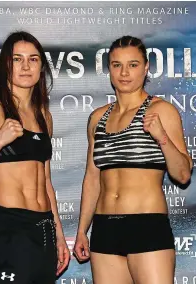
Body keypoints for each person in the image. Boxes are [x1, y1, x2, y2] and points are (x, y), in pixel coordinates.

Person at [74, 36, 193, 284]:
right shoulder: (98, 117)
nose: (124, 72)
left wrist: (161, 137)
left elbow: (182, 174)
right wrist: (82, 230)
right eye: (117, 65)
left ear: (146, 67)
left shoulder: (162, 110)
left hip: (146, 226)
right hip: (105, 229)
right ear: (109, 69)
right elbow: (92, 179)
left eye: (133, 64)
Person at [0, 31, 70, 284]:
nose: (25, 66)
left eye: (33, 59)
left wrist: (59, 236)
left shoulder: (43, 115)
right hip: (9, 230)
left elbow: (46, 182)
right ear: (5, 65)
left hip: (43, 230)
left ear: (41, 67)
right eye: (17, 59)